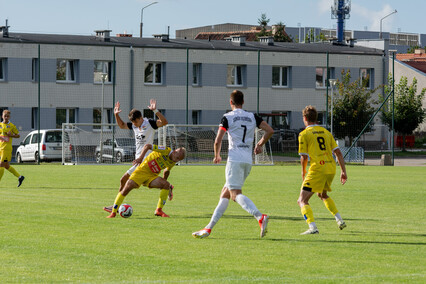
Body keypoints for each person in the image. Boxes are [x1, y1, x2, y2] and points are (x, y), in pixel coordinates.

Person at [192, 90, 274, 239]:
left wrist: (217, 155)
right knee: (225, 193)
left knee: (235, 195)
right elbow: (269, 130)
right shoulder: (252, 116)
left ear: (231, 102)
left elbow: (217, 140)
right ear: (243, 102)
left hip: (234, 160)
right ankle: (208, 228)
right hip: (247, 161)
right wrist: (260, 144)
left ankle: (259, 216)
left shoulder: (227, 117)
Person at [103, 99, 171, 217]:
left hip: (146, 161)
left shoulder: (149, 123)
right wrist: (116, 115)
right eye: (132, 122)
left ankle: (115, 207)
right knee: (128, 181)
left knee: (124, 180)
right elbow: (122, 125)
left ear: (140, 118)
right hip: (138, 161)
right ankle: (166, 189)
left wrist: (155, 110)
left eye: (135, 122)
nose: (133, 124)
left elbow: (164, 122)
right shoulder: (135, 126)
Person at [297, 105, 348, 235]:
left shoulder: (304, 134)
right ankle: (339, 220)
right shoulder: (326, 132)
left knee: (302, 200)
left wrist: (303, 172)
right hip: (331, 168)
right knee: (322, 195)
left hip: (317, 169)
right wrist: (343, 171)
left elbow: (303, 157)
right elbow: (338, 153)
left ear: (305, 118)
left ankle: (312, 227)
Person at [106, 144, 186, 218]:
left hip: (152, 176)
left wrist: (163, 183)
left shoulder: (172, 161)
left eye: (179, 160)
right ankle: (113, 212)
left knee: (166, 185)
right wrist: (140, 158)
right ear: (175, 152)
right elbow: (147, 146)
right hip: (141, 172)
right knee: (126, 189)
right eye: (177, 158)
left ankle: (159, 210)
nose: (177, 161)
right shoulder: (165, 150)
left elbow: (166, 171)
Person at [0, 110, 25, 187]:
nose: (6, 117)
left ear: (9, 117)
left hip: (6, 149)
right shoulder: (0, 125)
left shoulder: (12, 126)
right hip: (0, 147)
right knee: (6, 166)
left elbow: (18, 135)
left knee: (1, 165)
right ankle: (20, 177)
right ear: (2, 116)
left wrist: (11, 135)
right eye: (5, 116)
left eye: (8, 116)